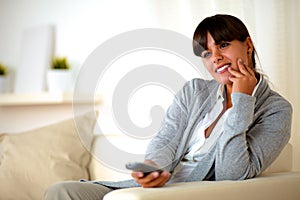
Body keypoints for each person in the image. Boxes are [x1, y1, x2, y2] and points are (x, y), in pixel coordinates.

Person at [44, 14, 292, 199]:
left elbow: (232, 174)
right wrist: (154, 167)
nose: (215, 57)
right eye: (206, 53)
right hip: (157, 188)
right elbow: (165, 141)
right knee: (62, 192)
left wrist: (242, 101)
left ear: (247, 45)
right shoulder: (194, 91)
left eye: (223, 45)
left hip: (190, 193)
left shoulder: (277, 111)